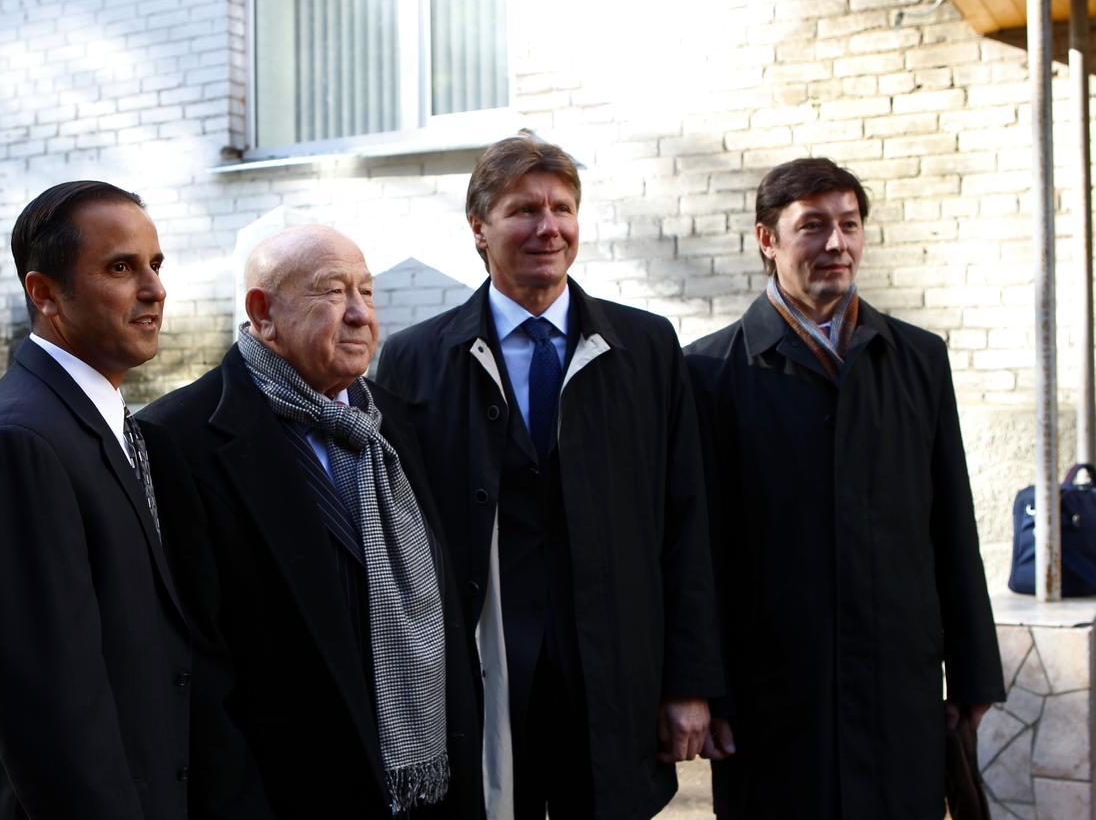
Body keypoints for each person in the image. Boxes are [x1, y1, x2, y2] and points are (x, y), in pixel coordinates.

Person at [374, 135, 726, 820]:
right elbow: (399, 538)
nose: (548, 227)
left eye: (562, 208)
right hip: (481, 675)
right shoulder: (415, 359)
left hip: (614, 671)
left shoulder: (647, 348)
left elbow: (688, 522)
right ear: (479, 227)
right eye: (523, 209)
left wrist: (691, 681)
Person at [684, 157, 1005, 819]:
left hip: (898, 686)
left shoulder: (918, 359)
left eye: (849, 224)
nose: (837, 244)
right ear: (766, 240)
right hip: (773, 697)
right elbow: (697, 550)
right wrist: (703, 688)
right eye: (813, 226)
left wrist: (974, 667)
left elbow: (952, 523)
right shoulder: (709, 372)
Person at [137, 225, 482, 819]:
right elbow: (196, 667)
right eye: (332, 293)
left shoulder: (394, 425)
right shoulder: (179, 439)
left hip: (427, 786)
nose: (359, 315)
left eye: (367, 293)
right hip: (293, 792)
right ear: (262, 312)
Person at [0, 181, 192, 818]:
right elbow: (50, 720)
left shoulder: (96, 420)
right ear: (44, 293)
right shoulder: (17, 445)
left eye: (155, 265)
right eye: (120, 267)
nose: (154, 289)